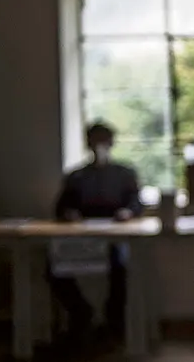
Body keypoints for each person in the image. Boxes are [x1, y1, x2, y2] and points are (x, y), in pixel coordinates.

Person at [47, 122, 142, 344]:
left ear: (112, 143)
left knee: (121, 266)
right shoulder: (77, 177)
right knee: (52, 267)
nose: (99, 145)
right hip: (82, 238)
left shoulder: (125, 174)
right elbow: (60, 208)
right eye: (94, 140)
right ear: (87, 143)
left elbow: (137, 203)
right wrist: (69, 214)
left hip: (115, 237)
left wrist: (127, 212)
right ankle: (80, 312)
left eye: (103, 140)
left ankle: (114, 321)